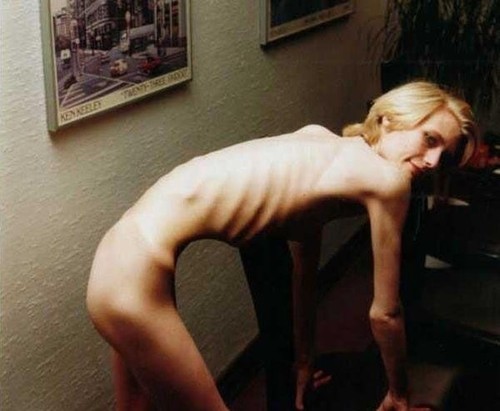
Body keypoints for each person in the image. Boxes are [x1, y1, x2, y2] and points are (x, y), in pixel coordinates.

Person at [86, 81, 477, 411]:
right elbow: (386, 314)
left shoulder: (317, 139)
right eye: (429, 139)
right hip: (133, 275)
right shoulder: (389, 181)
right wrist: (399, 394)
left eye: (443, 157)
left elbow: (304, 274)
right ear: (389, 119)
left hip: (120, 253)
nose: (432, 161)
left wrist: (303, 363)